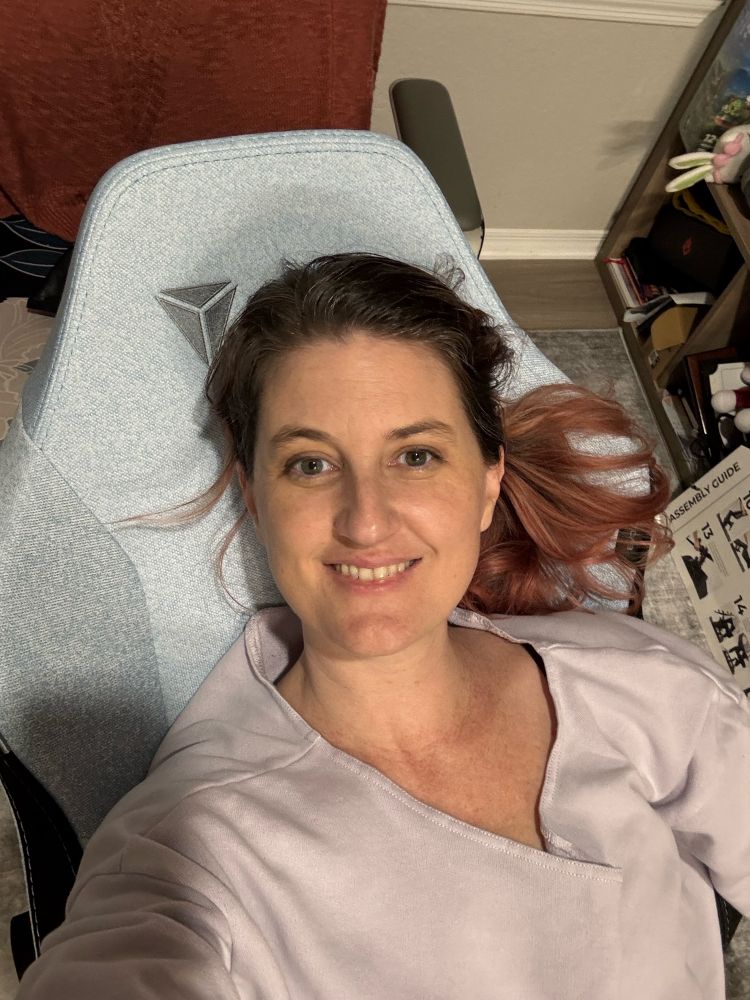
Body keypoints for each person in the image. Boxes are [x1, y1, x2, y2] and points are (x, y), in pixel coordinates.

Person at [17, 253, 750, 999]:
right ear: (254, 495)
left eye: (416, 455)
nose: (366, 521)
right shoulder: (188, 848)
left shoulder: (647, 684)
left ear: (487, 482)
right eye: (310, 464)